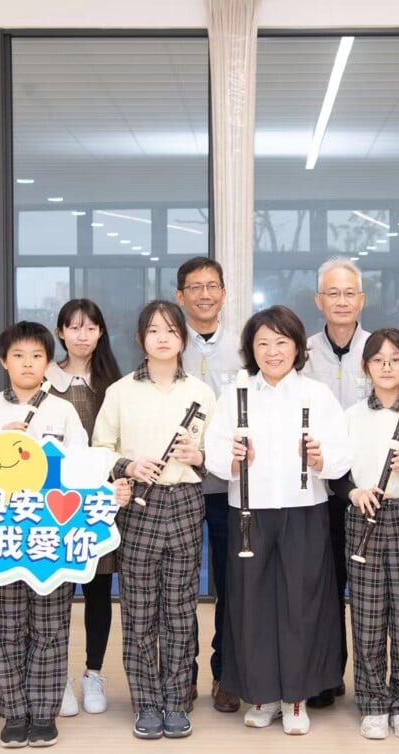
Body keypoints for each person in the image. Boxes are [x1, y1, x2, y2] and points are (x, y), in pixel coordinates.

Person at [205, 305, 352, 735]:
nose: (272, 351)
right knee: (251, 604)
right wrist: (234, 460)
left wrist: (321, 459)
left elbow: (341, 455)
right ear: (251, 349)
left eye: (281, 342)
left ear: (297, 347)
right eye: (263, 343)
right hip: (248, 512)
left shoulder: (316, 394)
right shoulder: (235, 395)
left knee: (301, 605)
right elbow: (215, 453)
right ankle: (263, 695)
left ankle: (296, 698)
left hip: (304, 510)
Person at [0, 321, 87, 748]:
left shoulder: (63, 410)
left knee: (50, 625)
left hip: (51, 529)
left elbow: (80, 469)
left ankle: (44, 712)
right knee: (4, 625)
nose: (28, 363)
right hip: (0, 529)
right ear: (3, 361)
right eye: (18, 356)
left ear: (48, 362)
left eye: (36, 356)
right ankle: (15, 712)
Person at [92, 300, 216, 740]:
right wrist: (127, 466)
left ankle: (176, 699)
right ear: (140, 339)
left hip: (185, 500)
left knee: (181, 608)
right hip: (139, 505)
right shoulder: (120, 391)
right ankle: (146, 702)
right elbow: (100, 448)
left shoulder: (201, 392)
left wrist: (198, 456)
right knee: (140, 607)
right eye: (153, 331)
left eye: (171, 331)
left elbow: (218, 455)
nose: (163, 338)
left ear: (183, 338)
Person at [337, 328, 399, 740]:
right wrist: (353, 492)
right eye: (378, 360)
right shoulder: (350, 415)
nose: (387, 367)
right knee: (367, 616)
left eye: (396, 359)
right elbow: (337, 473)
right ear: (366, 367)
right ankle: (373, 703)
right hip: (365, 514)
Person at [174, 256, 245, 713]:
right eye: (195, 287)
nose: (204, 294)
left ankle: (226, 674)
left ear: (223, 293)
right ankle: (182, 675)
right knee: (179, 587)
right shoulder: (167, 343)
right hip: (177, 487)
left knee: (231, 585)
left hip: (227, 487)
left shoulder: (243, 349)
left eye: (212, 285)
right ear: (180, 296)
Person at [47, 299, 124, 717]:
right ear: (60, 332)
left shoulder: (114, 382)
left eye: (90, 328)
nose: (82, 335)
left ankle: (93, 673)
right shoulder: (46, 378)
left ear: (100, 333)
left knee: (98, 591)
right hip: (54, 502)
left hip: (101, 501)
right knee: (56, 593)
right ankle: (57, 677)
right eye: (73, 327)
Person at [301, 257, 370, 707]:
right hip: (316, 491)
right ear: (319, 301)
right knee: (322, 587)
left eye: (349, 293)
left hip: (368, 490)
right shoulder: (302, 354)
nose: (341, 301)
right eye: (333, 293)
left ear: (361, 300)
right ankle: (327, 675)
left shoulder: (380, 350)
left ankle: (371, 682)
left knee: (367, 590)